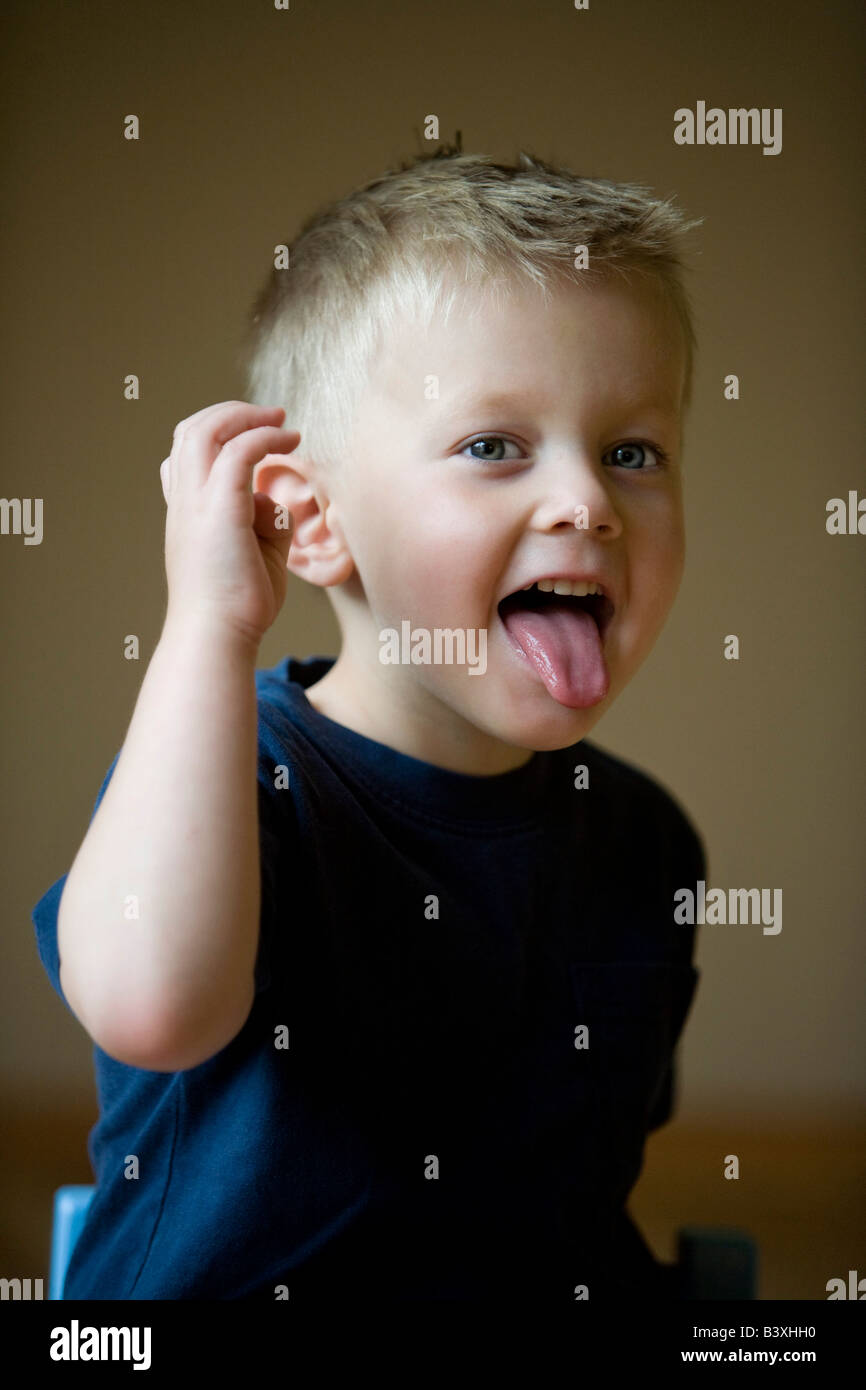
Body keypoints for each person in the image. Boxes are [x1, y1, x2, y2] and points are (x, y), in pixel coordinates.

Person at [32, 147, 707, 1301]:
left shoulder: (645, 840)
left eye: (629, 451)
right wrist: (207, 621)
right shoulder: (229, 778)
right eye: (493, 445)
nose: (586, 502)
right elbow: (152, 1006)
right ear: (310, 523)